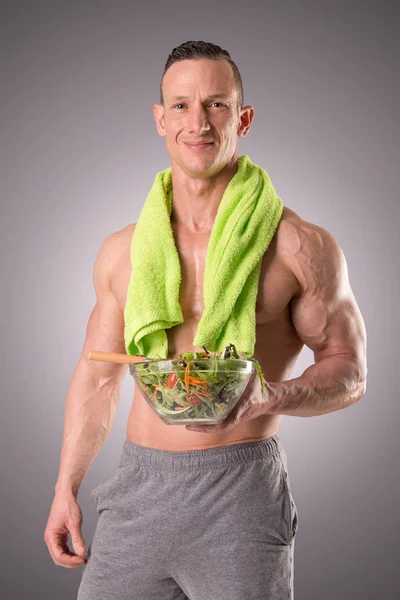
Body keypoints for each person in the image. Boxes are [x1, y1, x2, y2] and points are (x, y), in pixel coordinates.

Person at [44, 40, 367, 599]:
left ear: (242, 118)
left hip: (239, 494)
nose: (198, 123)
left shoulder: (299, 246)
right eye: (180, 105)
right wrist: (64, 488)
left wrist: (272, 398)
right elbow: (98, 376)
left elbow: (350, 370)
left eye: (216, 105)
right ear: (159, 118)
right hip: (138, 490)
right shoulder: (123, 252)